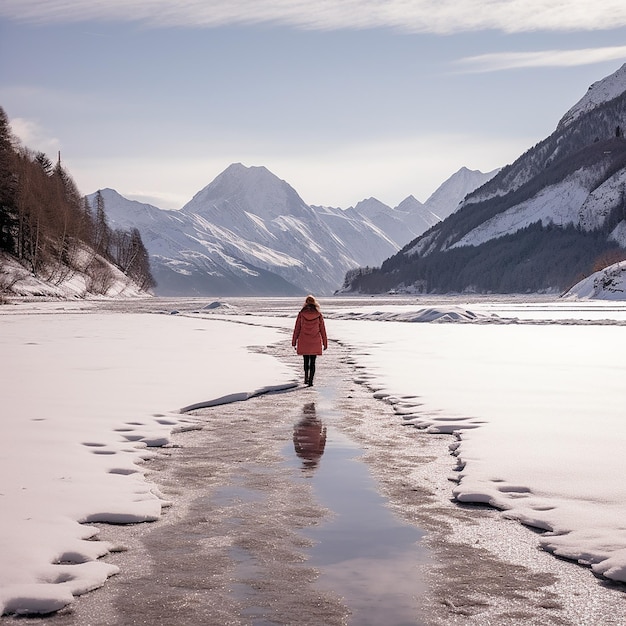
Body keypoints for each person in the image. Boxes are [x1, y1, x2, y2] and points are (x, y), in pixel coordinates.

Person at [292, 295, 328, 386]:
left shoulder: (301, 314)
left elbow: (297, 328)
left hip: (304, 340)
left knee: (305, 360)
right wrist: (325, 343)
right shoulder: (319, 315)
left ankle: (306, 378)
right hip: (315, 341)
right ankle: (311, 381)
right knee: (313, 362)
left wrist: (294, 341)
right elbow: (322, 330)